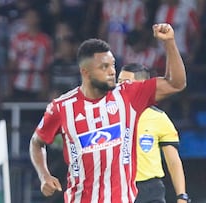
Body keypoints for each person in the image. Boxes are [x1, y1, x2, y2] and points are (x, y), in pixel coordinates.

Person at [29, 23, 186, 202]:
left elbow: (176, 83)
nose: (112, 71)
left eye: (112, 65)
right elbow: (36, 142)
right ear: (85, 72)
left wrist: (170, 43)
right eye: (104, 67)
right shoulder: (61, 107)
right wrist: (44, 175)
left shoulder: (128, 95)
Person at [118, 63, 190, 203]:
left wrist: (182, 195)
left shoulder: (159, 118)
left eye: (127, 83)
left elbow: (173, 161)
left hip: (149, 190)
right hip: (117, 188)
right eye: (119, 83)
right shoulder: (107, 116)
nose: (121, 88)